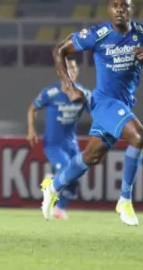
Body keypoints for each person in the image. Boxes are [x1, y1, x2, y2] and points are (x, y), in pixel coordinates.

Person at [41, 0, 143, 226]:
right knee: (139, 136)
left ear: (131, 10)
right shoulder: (98, 35)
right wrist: (69, 87)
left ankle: (53, 186)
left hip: (122, 105)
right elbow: (59, 50)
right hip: (103, 103)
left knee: (91, 156)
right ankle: (124, 200)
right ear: (109, 10)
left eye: (125, 5)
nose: (120, 9)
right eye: (115, 5)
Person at [27, 56, 90, 219]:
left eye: (74, 69)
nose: (72, 72)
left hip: (71, 144)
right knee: (67, 170)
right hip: (53, 144)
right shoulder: (51, 93)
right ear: (60, 72)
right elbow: (33, 108)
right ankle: (51, 182)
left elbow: (97, 111)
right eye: (68, 69)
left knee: (77, 175)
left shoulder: (82, 94)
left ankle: (59, 208)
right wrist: (31, 130)